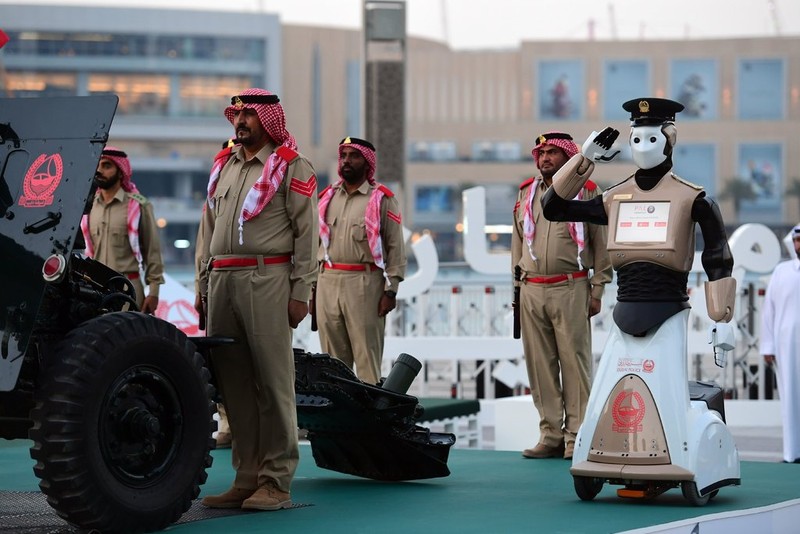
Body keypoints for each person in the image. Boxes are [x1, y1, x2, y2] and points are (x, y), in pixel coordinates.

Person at [195, 88, 318, 511]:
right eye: (237, 114)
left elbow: (307, 235)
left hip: (267, 277)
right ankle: (246, 478)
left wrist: (301, 291)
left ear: (268, 120)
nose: (240, 121)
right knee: (233, 388)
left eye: (249, 114)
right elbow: (206, 230)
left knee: (272, 382)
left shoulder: (291, 166)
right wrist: (201, 286)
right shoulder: (223, 166)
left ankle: (276, 481)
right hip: (222, 279)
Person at [511, 132, 613, 460]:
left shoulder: (588, 193)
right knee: (540, 367)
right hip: (531, 288)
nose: (545, 159)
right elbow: (517, 244)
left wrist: (598, 289)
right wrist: (517, 289)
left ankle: (576, 437)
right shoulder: (526, 193)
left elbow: (602, 247)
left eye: (553, 152)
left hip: (571, 286)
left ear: (569, 156)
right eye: (541, 153)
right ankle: (550, 435)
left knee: (574, 363)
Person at [315, 137, 406, 384]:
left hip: (365, 284)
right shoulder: (326, 198)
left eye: (354, 156)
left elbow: (395, 248)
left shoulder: (382, 199)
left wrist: (391, 290)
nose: (346, 161)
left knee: (366, 358)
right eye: (343, 155)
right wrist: (311, 288)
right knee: (332, 362)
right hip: (327, 282)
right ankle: (339, 419)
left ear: (367, 163)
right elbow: (315, 247)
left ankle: (368, 421)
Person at [81, 146, 164, 313]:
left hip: (128, 290)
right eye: (97, 165)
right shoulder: (88, 207)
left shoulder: (138, 206)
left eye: (106, 166)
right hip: (96, 290)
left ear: (120, 171)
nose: (99, 171)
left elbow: (152, 252)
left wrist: (153, 293)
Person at [760, 223, 800, 463]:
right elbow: (769, 312)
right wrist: (768, 346)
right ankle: (792, 453)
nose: (799, 245)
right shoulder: (781, 271)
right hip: (786, 345)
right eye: (797, 241)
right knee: (789, 396)